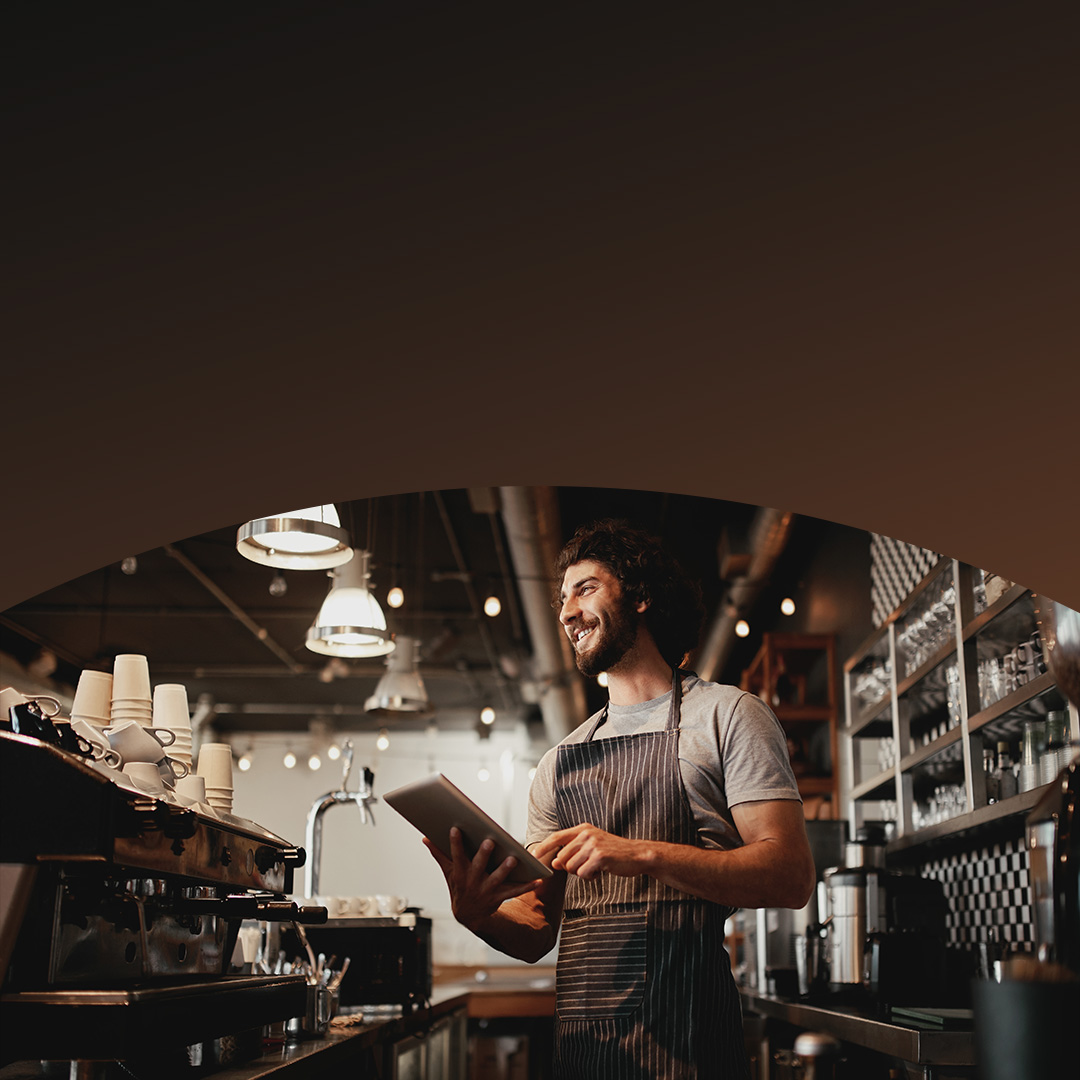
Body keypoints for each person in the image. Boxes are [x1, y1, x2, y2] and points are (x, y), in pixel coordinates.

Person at [426, 519, 816, 1079]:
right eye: (562, 599)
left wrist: (637, 854)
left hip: (693, 1047)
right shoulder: (557, 763)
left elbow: (791, 875)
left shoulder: (727, 716)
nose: (565, 613)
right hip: (586, 1055)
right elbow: (538, 929)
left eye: (585, 588)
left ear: (640, 596)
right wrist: (478, 914)